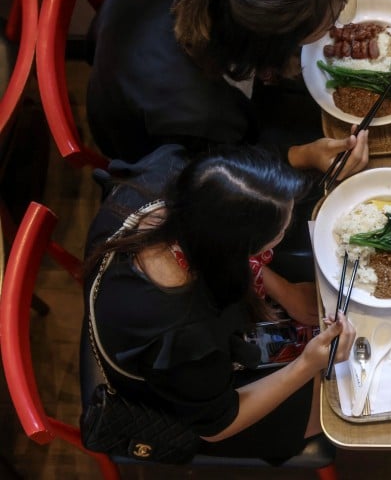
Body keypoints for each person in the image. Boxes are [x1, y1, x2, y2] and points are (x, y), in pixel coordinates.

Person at [83, 144, 357, 461]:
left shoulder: (177, 182)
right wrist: (306, 366)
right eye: (280, 231)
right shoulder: (182, 336)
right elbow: (217, 425)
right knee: (341, 394)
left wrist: (282, 289)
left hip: (176, 338)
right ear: (236, 251)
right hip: (189, 405)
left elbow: (219, 245)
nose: (286, 228)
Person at [86, 0, 368, 173]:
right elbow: (222, 167)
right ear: (273, 56)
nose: (337, 24)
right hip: (150, 138)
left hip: (121, 33)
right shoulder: (206, 116)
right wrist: (302, 155)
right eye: (327, 24)